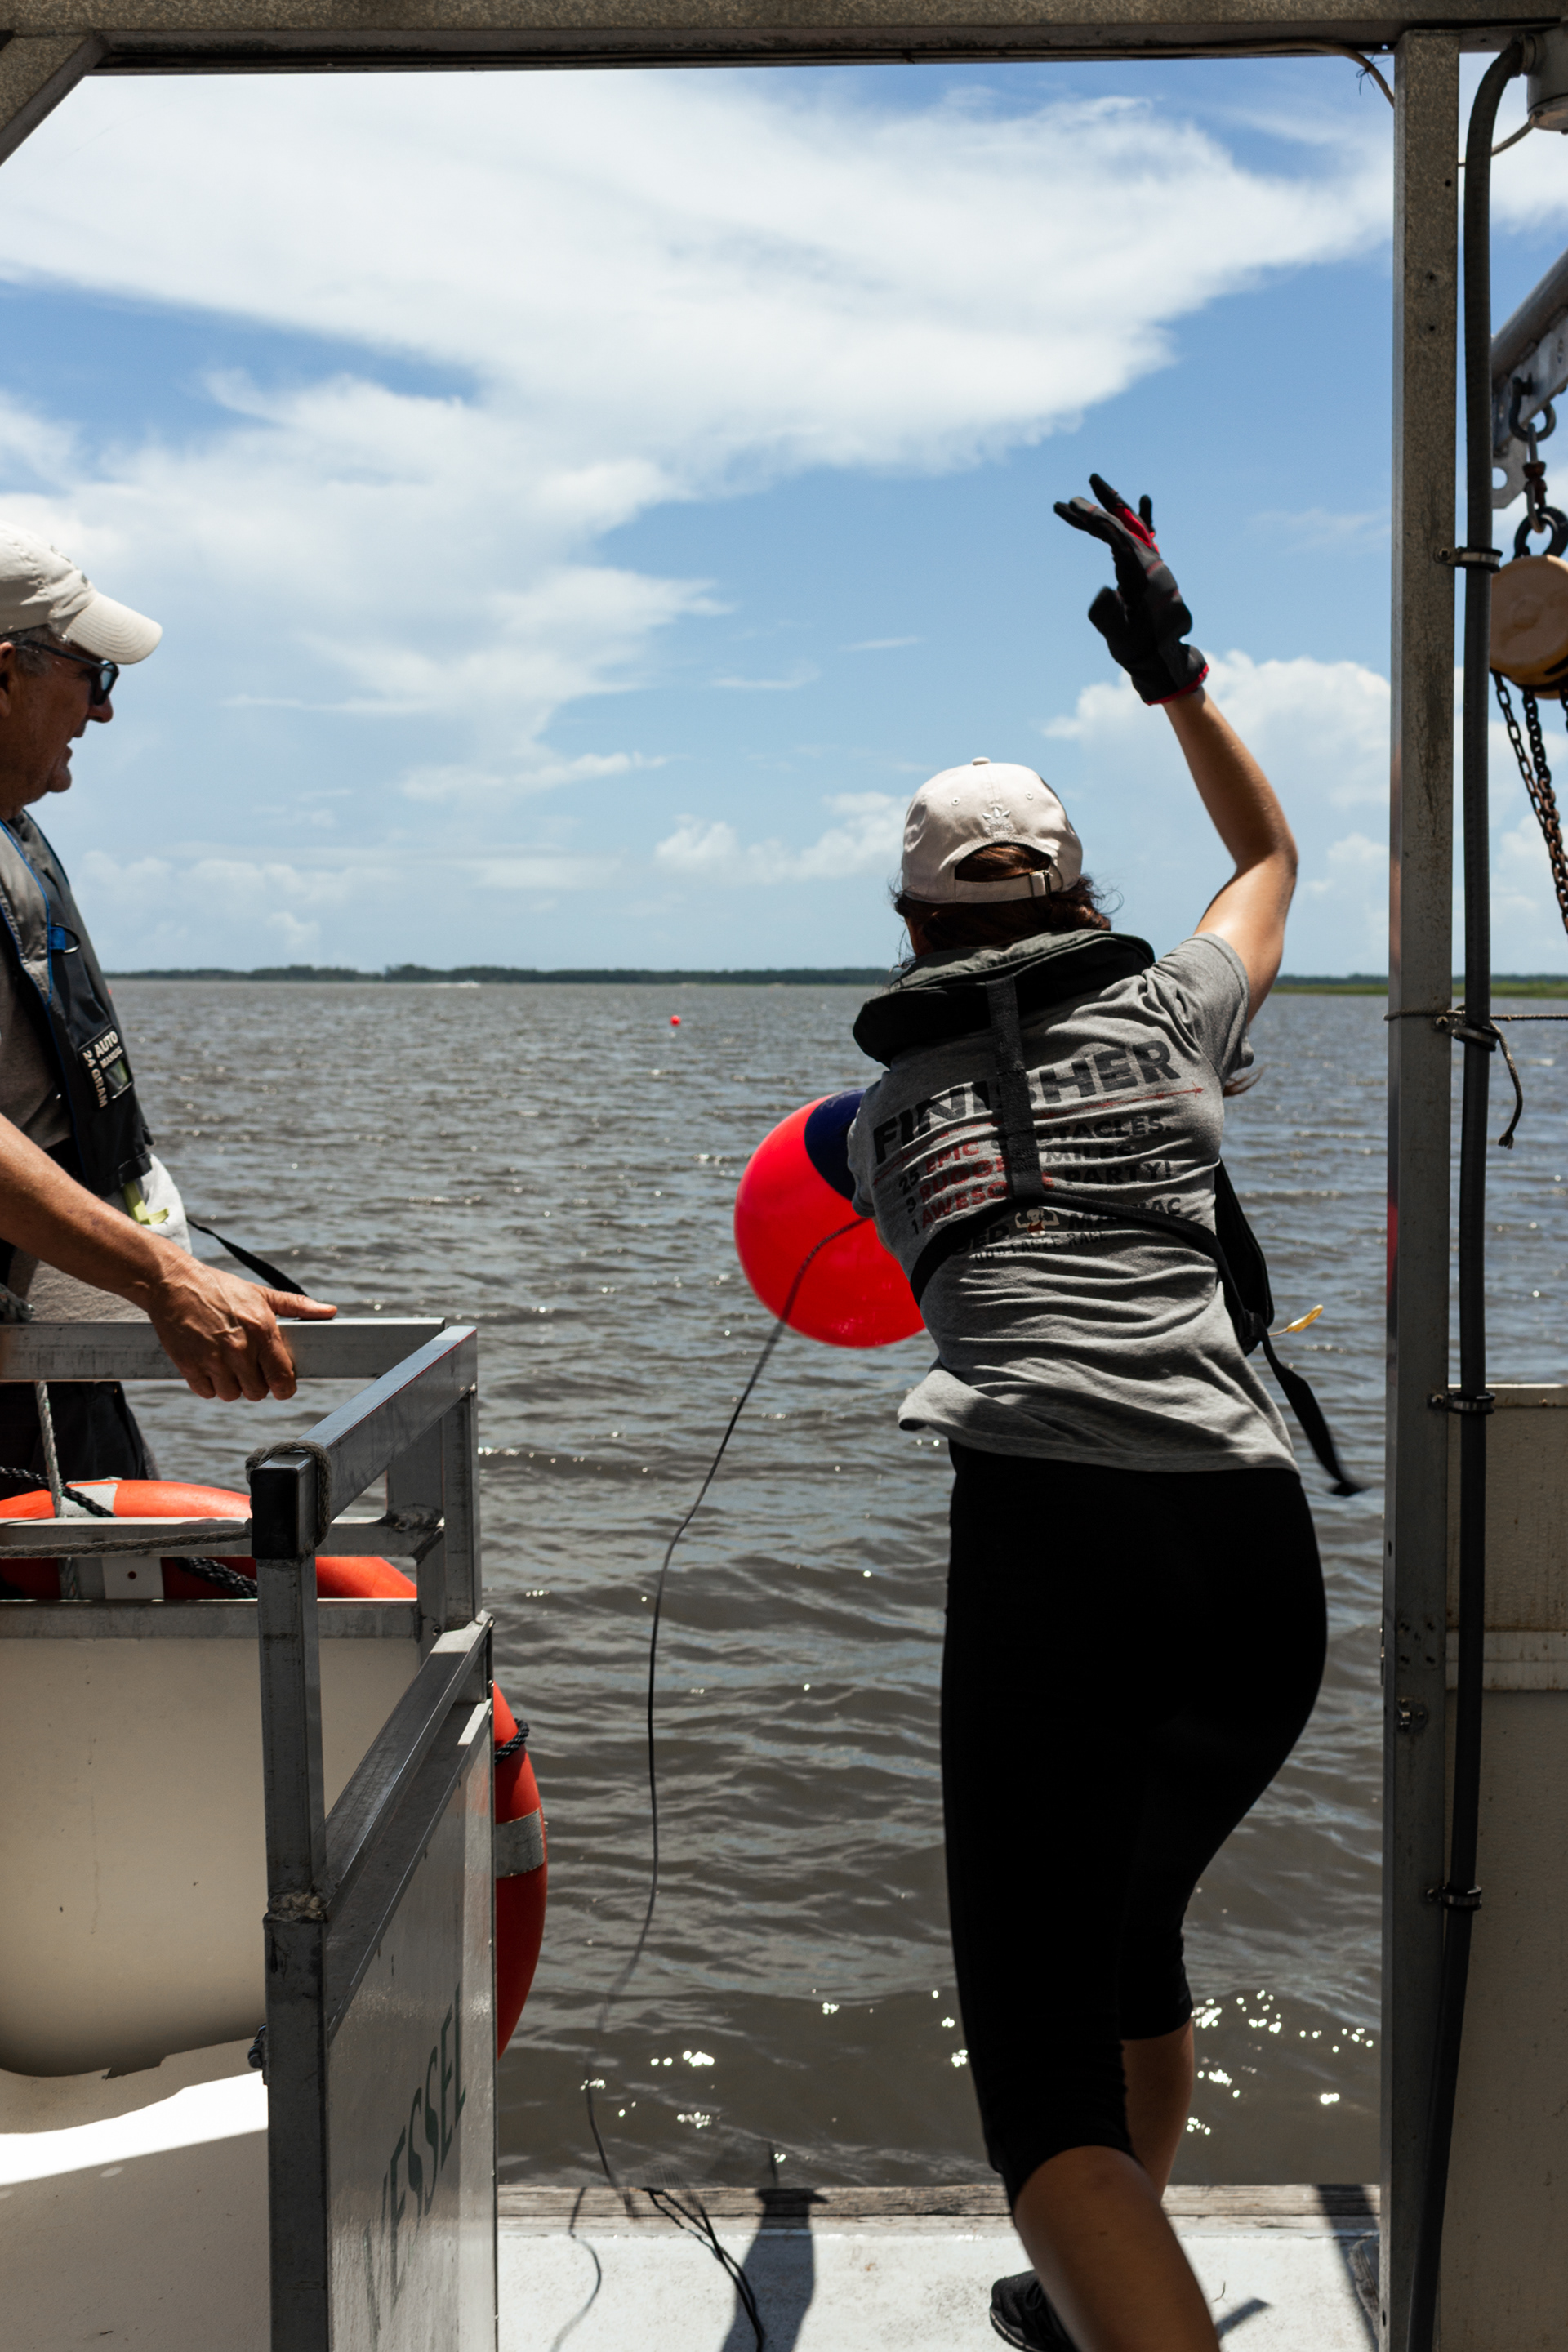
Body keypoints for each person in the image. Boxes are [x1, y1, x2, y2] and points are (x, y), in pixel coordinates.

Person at [846, 477, 1327, 2352]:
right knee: (1131, 1938)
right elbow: (1269, 861)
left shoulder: (887, 1126)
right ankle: (1100, 2299)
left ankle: (1112, 2278)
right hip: (1253, 1565)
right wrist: (1172, 667)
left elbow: (956, 1270)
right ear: (1081, 893)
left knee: (1037, 2096)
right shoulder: (1178, 1009)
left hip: (1057, 1556)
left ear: (905, 919)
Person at [0, 520, 334, 1484]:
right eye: (92, 677)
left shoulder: (12, 830)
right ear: (4, 673)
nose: (102, 713)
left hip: (57, 1367)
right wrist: (165, 1277)